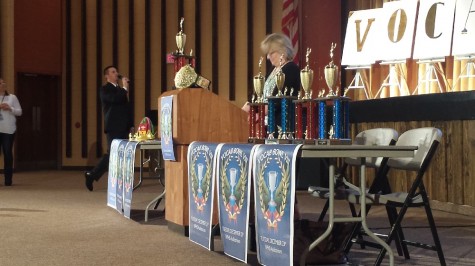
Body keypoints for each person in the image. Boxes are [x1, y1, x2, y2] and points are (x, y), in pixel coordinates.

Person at [85, 66, 133, 191]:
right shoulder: (104, 89)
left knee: (120, 155)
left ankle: (118, 180)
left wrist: (131, 124)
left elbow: (126, 108)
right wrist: (124, 88)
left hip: (124, 127)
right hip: (113, 127)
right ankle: (92, 175)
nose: (116, 73)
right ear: (107, 76)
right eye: (113, 72)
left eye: (116, 71)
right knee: (112, 154)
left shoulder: (120, 90)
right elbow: (114, 99)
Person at [242, 33, 301, 133]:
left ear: (282, 51)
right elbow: (260, 93)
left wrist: (258, 114)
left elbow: (277, 99)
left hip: (281, 125)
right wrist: (245, 108)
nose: (268, 57)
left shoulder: (291, 69)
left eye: (271, 53)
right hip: (266, 124)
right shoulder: (274, 69)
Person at [0, 78, 22, 186]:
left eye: (3, 82)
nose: (2, 84)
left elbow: (19, 112)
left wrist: (10, 108)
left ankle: (8, 180)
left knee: (7, 154)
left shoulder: (12, 97)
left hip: (8, 131)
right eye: (0, 83)